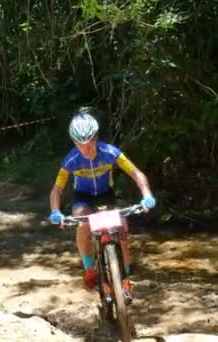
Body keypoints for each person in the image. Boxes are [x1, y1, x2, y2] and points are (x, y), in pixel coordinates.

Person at [49, 107, 156, 301]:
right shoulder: (70, 161)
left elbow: (136, 173)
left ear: (96, 138)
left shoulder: (111, 152)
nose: (87, 149)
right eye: (81, 145)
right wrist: (55, 211)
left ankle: (125, 278)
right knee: (83, 224)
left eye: (90, 143)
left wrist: (147, 195)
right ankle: (89, 269)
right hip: (83, 197)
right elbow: (57, 190)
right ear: (74, 143)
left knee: (121, 227)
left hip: (107, 195)